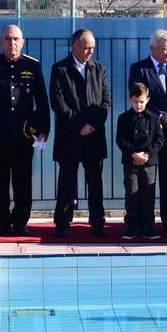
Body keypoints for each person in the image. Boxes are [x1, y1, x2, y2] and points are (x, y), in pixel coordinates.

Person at [0, 25, 50, 236]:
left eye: (16, 39)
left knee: (22, 180)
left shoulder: (32, 66)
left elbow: (42, 100)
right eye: (7, 38)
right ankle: (2, 223)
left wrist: (44, 129)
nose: (12, 42)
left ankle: (21, 222)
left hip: (23, 135)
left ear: (23, 42)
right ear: (1, 42)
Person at [128, 29, 167, 234]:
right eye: (165, 49)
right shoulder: (139, 69)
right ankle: (142, 222)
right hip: (148, 134)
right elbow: (138, 97)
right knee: (145, 181)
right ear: (153, 49)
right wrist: (159, 116)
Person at [49, 29, 111, 238]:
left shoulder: (98, 68)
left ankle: (97, 223)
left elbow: (106, 101)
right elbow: (58, 103)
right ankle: (62, 223)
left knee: (95, 183)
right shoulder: (60, 69)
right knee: (67, 182)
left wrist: (93, 125)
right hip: (69, 135)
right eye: (86, 48)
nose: (90, 52)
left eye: (93, 48)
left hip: (94, 135)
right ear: (75, 47)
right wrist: (79, 125)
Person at [116, 82, 165, 240]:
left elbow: (159, 139)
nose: (138, 105)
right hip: (130, 162)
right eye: (135, 101)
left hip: (149, 162)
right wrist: (133, 153)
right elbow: (120, 140)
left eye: (142, 102)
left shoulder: (154, 117)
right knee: (132, 194)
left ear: (148, 100)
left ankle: (147, 227)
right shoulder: (123, 118)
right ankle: (131, 226)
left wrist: (146, 154)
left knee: (148, 195)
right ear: (129, 99)